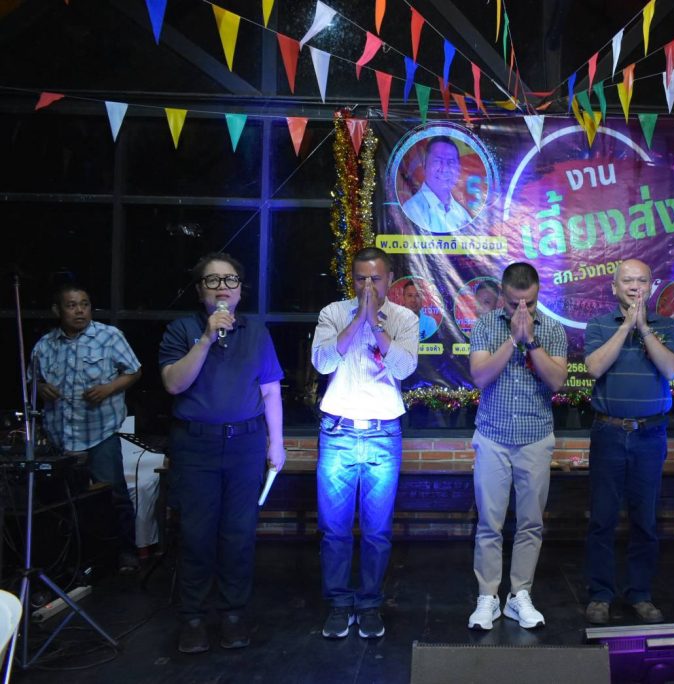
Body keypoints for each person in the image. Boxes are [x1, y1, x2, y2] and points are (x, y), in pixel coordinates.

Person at [159, 252, 286, 654]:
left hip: (245, 444)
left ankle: (233, 613)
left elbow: (270, 390)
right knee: (196, 534)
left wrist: (276, 443)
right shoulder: (182, 329)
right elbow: (174, 384)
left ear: (240, 290)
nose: (222, 288)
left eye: (230, 280)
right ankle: (193, 617)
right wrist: (206, 339)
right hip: (196, 445)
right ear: (200, 291)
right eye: (212, 281)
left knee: (239, 534)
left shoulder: (256, 331)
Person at [312, 247, 419, 640]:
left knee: (377, 531)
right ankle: (340, 605)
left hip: (382, 433)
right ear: (352, 279)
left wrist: (375, 324)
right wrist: (358, 318)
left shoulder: (405, 318)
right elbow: (323, 362)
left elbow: (404, 368)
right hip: (337, 432)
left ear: (389, 280)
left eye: (375, 278)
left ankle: (370, 604)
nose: (367, 286)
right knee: (334, 529)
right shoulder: (333, 313)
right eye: (361, 278)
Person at [467, 262, 567, 630]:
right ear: (502, 296)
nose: (522, 310)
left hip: (535, 437)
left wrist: (531, 342)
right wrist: (512, 340)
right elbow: (480, 376)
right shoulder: (485, 326)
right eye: (514, 304)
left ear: (538, 296)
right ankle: (487, 597)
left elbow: (557, 381)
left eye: (530, 303)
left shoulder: (551, 329)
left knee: (530, 524)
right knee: (489, 524)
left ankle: (519, 595)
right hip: (492, 436)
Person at [582, 260, 674, 625]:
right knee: (602, 519)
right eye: (627, 280)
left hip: (650, 436)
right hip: (609, 433)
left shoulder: (666, 326)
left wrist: (644, 328)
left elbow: (671, 370)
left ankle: (640, 594)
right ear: (614, 287)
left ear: (651, 287)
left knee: (645, 520)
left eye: (642, 280)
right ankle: (600, 595)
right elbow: (594, 367)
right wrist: (626, 326)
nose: (635, 286)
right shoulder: (599, 325)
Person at [31, 283, 142, 573]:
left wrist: (109, 388)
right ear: (57, 310)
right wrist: (40, 388)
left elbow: (134, 371)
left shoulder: (109, 336)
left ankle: (126, 552)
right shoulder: (44, 345)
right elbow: (32, 381)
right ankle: (74, 558)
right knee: (64, 501)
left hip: (100, 432)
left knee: (114, 494)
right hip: (60, 435)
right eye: (71, 305)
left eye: (85, 304)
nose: (80, 310)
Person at [401, 137, 472, 233]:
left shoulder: (463, 216)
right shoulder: (411, 211)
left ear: (458, 169)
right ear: (425, 164)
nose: (444, 169)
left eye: (451, 162)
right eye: (437, 161)